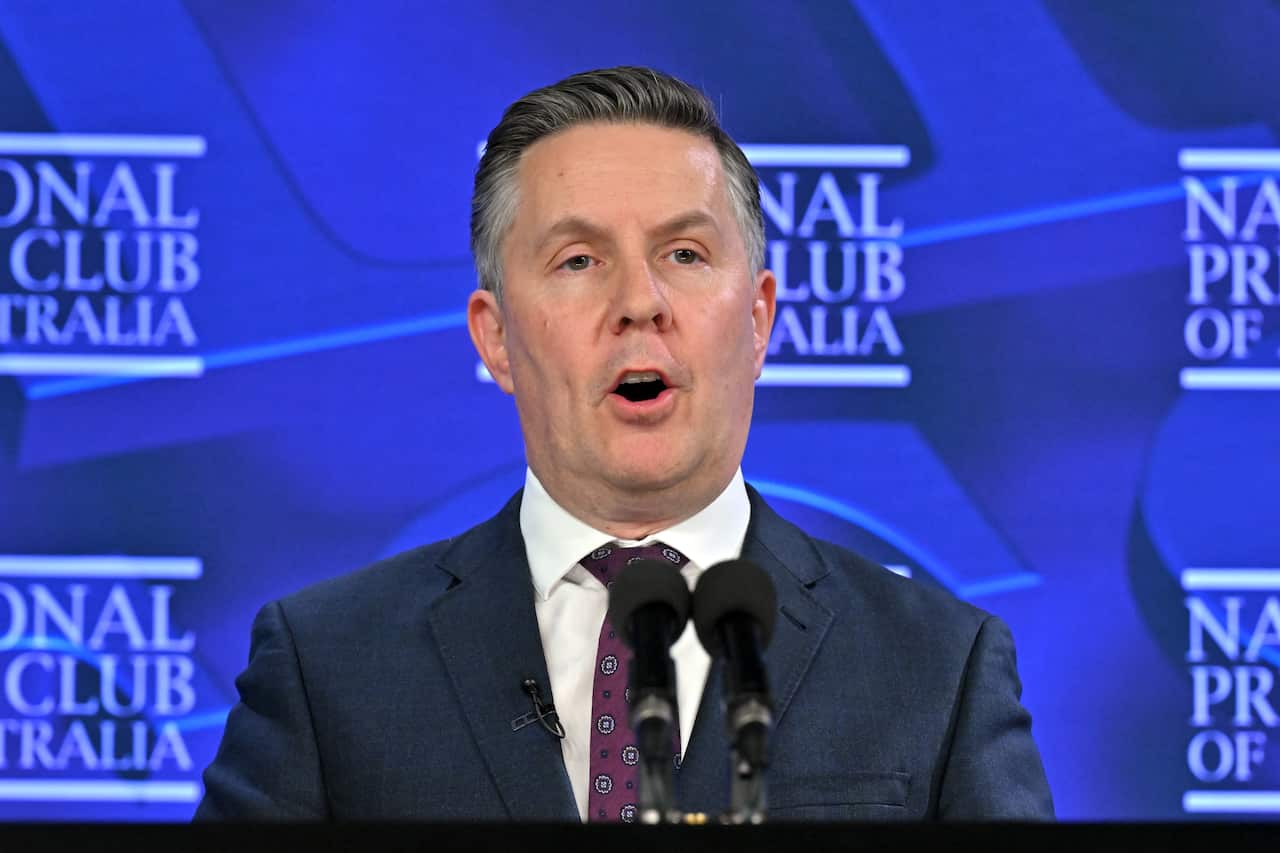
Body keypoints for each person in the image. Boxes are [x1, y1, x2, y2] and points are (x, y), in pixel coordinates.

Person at [195, 65, 1054, 822]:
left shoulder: (937, 667)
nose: (640, 301)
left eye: (684, 253)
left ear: (758, 319)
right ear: (496, 338)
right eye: (579, 260)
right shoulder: (329, 664)